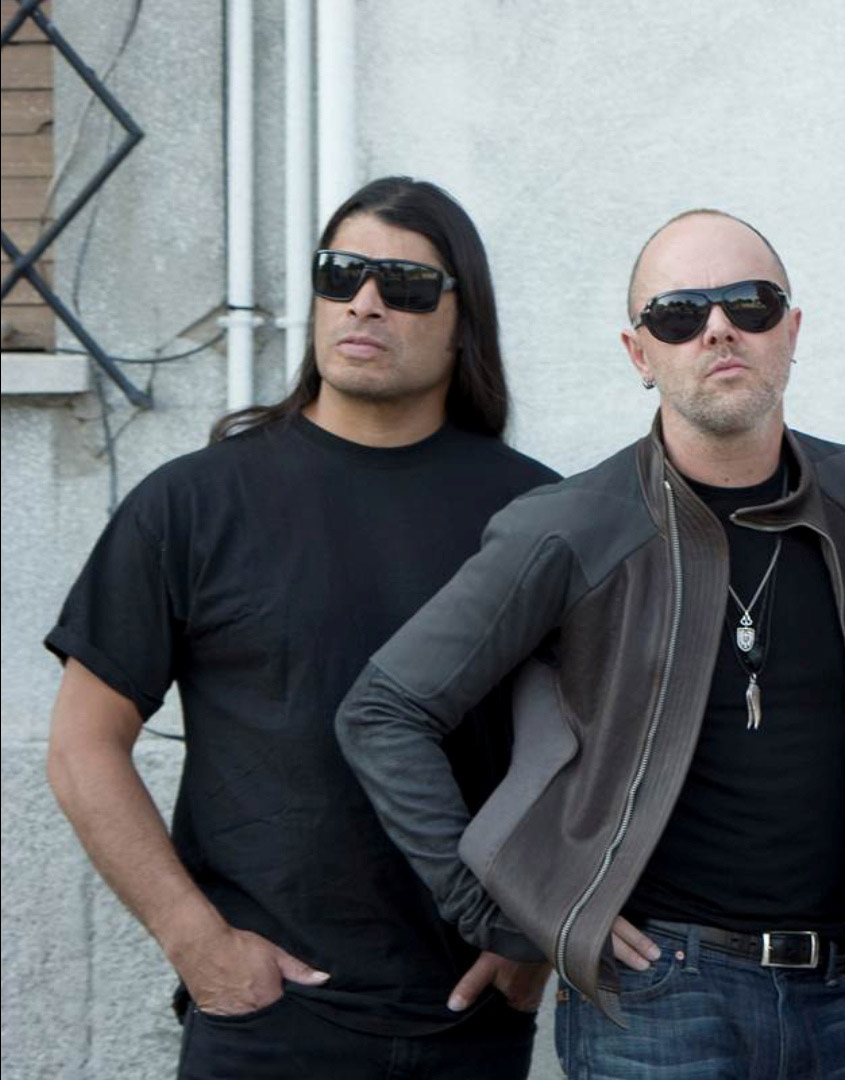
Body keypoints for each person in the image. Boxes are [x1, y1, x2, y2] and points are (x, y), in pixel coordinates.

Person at [335, 209, 845, 1079]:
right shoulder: (571, 526)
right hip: (656, 1000)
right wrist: (513, 911)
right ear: (640, 354)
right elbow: (384, 710)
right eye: (678, 315)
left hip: (836, 996)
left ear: (791, 331)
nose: (719, 329)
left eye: (750, 304)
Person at [44, 176, 558, 1079]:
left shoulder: (535, 516)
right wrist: (195, 941)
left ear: (463, 319)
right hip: (265, 1022)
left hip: (470, 1022)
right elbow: (84, 746)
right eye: (341, 273)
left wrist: (537, 941)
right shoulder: (195, 503)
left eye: (405, 284)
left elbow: (601, 751)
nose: (365, 302)